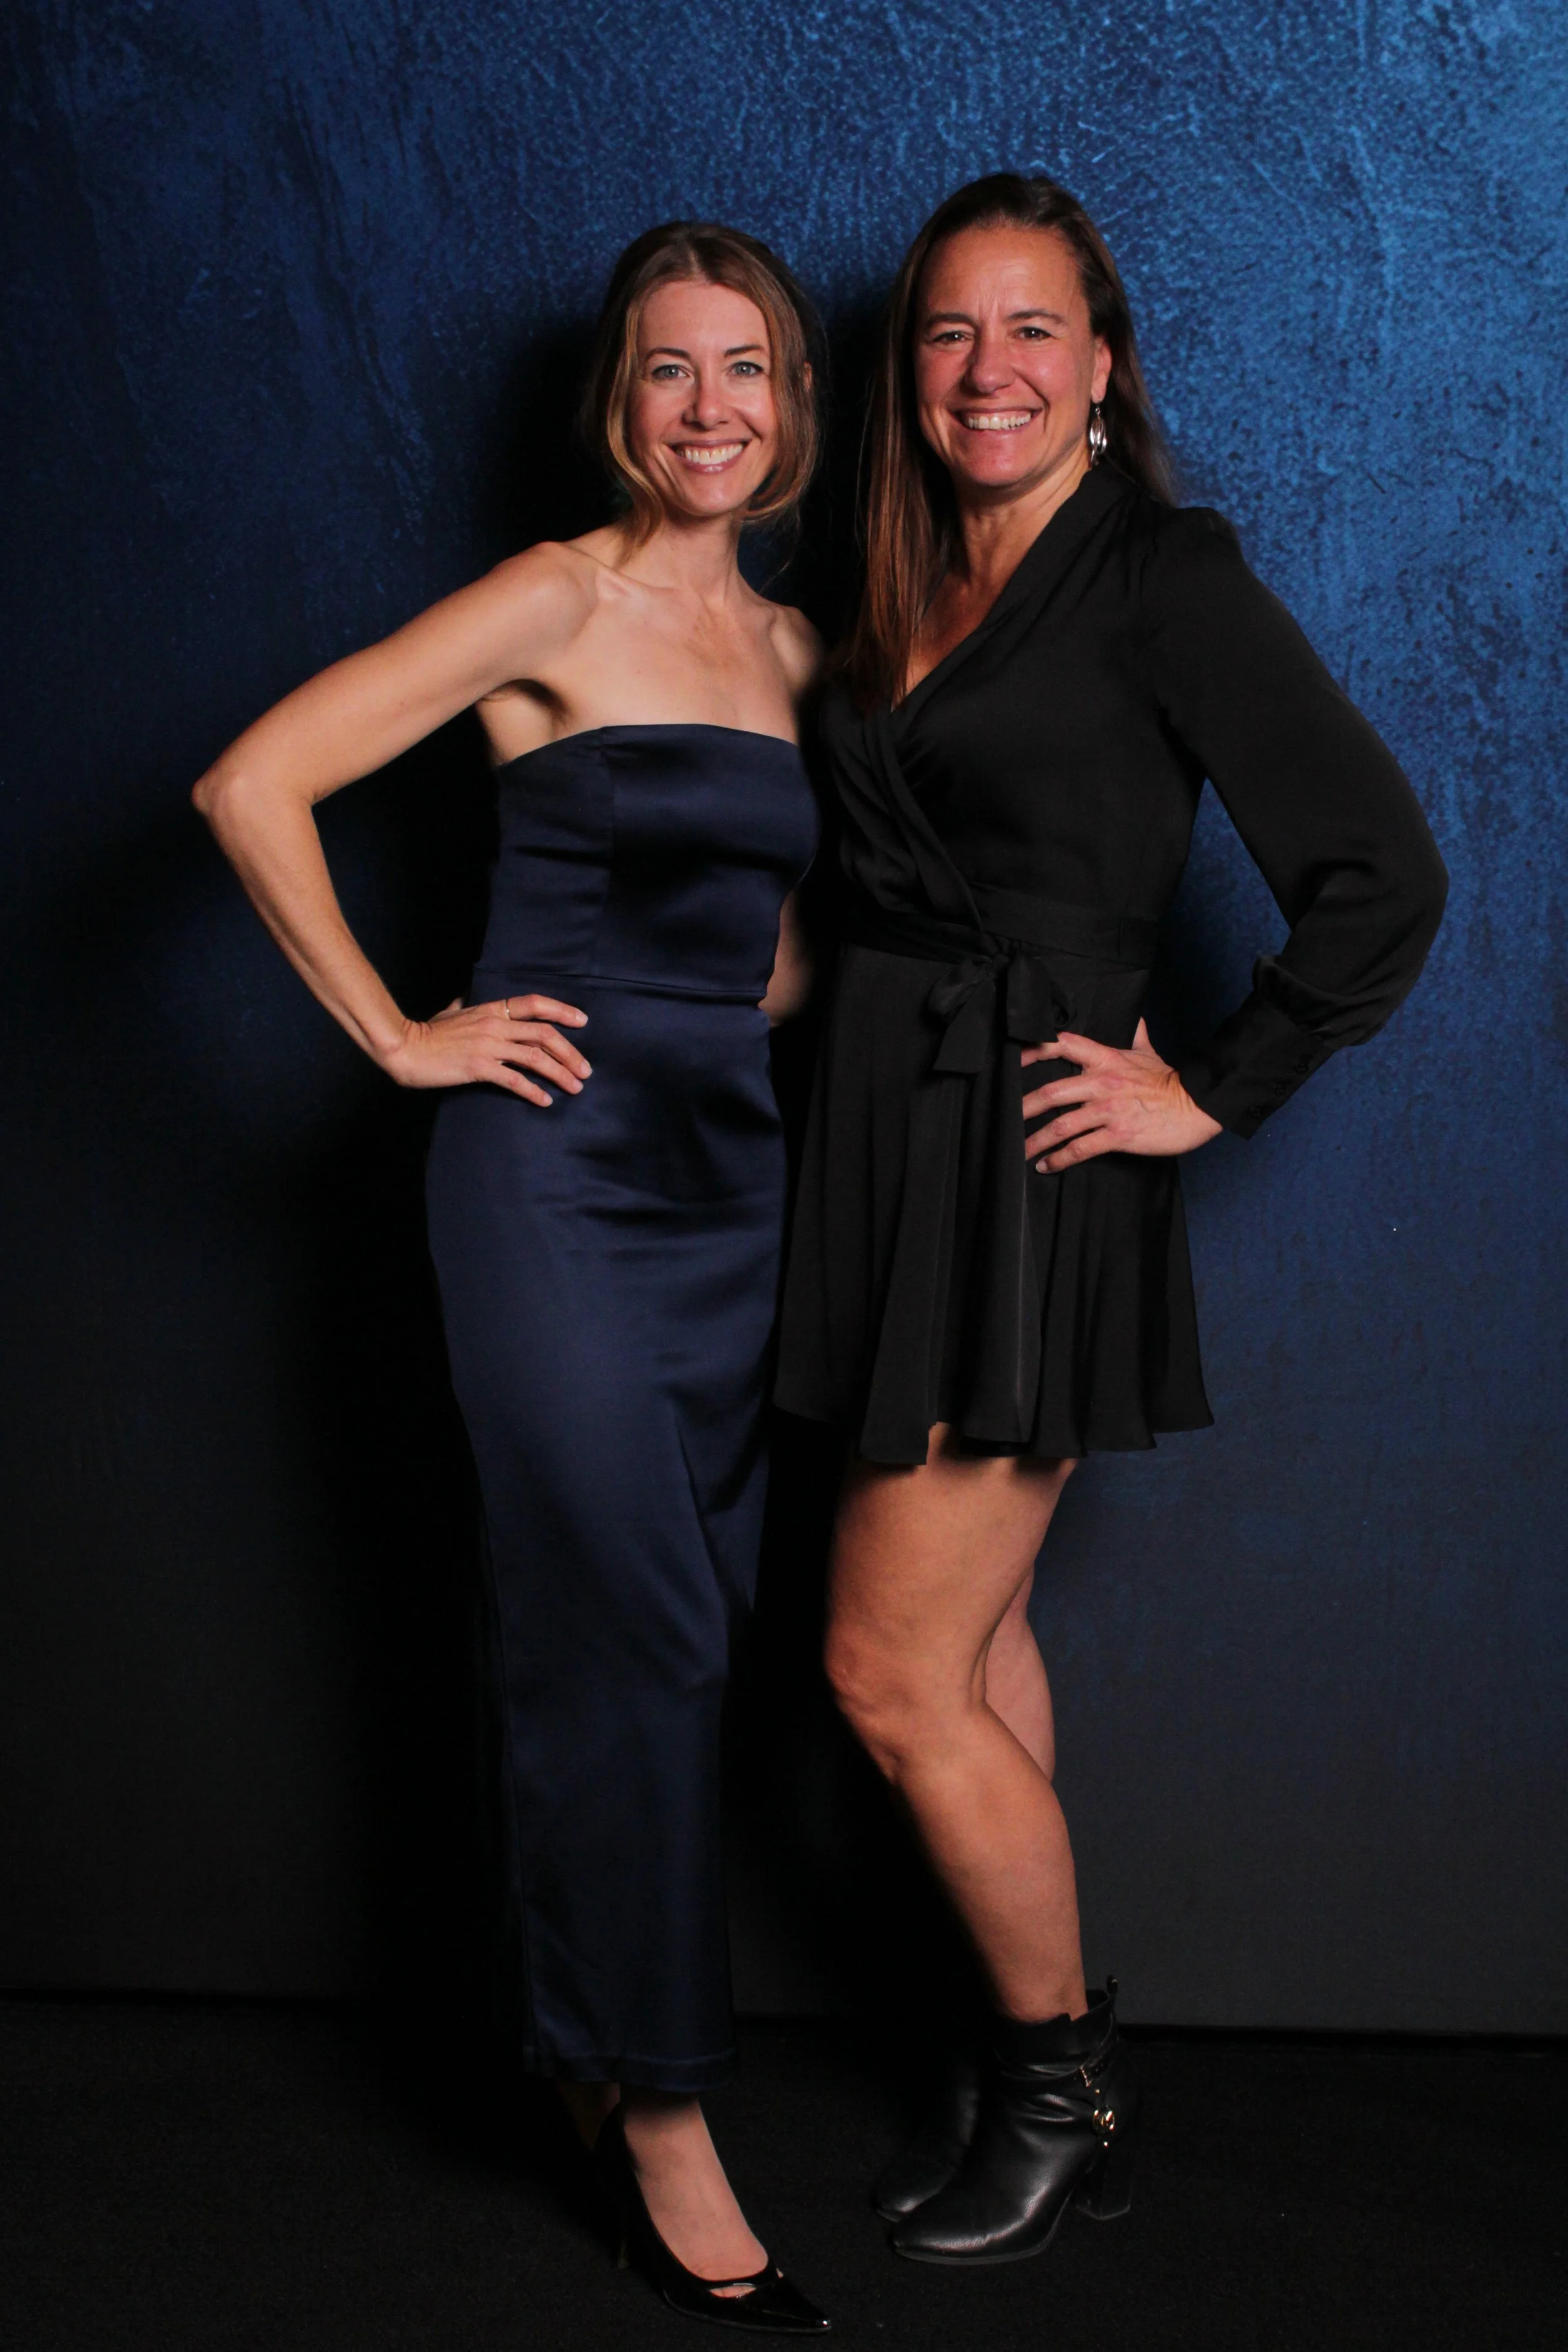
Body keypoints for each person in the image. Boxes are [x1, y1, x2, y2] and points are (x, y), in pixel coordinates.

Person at [775, 172, 1447, 2267]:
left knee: (882, 1673)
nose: (989, 370)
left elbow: (1379, 872)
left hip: (1026, 1160)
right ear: (915, 373)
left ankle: (1062, 2093)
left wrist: (1207, 1086)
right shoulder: (889, 579)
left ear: (1102, 363)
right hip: (882, 1138)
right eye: (952, 335)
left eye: (1032, 330)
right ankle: (1032, 2063)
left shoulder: (1162, 574)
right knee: (969, 1643)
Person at [194, 221, 831, 2336]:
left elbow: (777, 940)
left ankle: (572, 2034)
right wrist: (400, 1033)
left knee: (661, 1630)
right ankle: (660, 2106)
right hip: (543, 1175)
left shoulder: (801, 657)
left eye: (744, 369)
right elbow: (251, 781)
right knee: (637, 1623)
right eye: (669, 371)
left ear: (790, 403)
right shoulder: (558, 595)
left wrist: (742, 1012)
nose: (709, 407)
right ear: (617, 402)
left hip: (726, 1190)